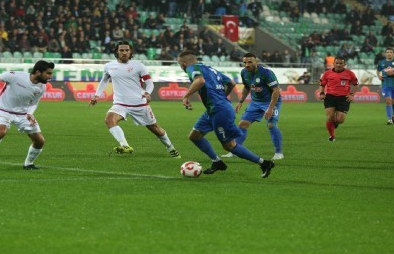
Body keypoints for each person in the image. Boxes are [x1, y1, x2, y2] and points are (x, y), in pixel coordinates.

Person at [177, 50, 274, 178]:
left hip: (219, 110)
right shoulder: (210, 69)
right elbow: (231, 83)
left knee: (229, 145)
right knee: (195, 136)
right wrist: (222, 97)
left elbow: (199, 81)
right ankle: (217, 162)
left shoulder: (191, 67)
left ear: (183, 63)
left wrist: (186, 96)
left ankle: (264, 163)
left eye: (180, 65)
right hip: (214, 109)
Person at [89, 41, 181, 158]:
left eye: (127, 50)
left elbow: (149, 83)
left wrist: (147, 93)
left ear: (130, 52)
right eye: (121, 50)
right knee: (109, 120)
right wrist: (97, 95)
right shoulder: (109, 66)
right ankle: (125, 146)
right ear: (117, 52)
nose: (124, 52)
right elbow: (104, 80)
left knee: (156, 129)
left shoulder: (138, 66)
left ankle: (170, 147)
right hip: (120, 103)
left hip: (139, 104)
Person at [222, 53, 284, 160]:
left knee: (271, 125)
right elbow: (246, 87)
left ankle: (279, 153)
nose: (247, 65)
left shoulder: (266, 73)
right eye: (245, 62)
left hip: (271, 102)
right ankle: (234, 151)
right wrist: (241, 101)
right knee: (242, 124)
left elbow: (276, 90)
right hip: (255, 102)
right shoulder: (244, 72)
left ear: (256, 62)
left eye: (250, 62)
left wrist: (270, 108)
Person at [319, 56, 359, 141]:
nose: (338, 65)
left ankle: (334, 124)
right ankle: (332, 136)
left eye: (341, 63)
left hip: (344, 98)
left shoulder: (350, 73)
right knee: (330, 116)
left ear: (344, 64)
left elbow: (356, 84)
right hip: (330, 96)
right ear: (333, 64)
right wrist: (322, 93)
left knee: (340, 120)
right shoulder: (327, 73)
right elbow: (322, 85)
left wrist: (352, 94)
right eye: (337, 63)